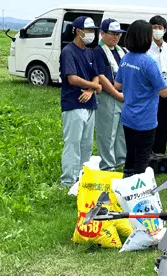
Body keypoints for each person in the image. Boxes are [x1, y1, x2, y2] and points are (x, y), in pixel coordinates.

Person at [114, 20, 167, 177]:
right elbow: (164, 92)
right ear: (145, 38)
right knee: (142, 160)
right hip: (144, 119)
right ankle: (137, 193)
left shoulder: (126, 58)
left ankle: (125, 183)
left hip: (128, 116)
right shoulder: (148, 62)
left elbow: (117, 85)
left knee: (131, 156)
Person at [58, 16, 101, 187]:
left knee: (86, 145)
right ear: (78, 31)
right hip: (73, 103)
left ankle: (82, 179)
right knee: (73, 143)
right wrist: (94, 86)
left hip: (89, 104)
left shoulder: (89, 53)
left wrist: (91, 90)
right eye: (88, 30)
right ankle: (68, 180)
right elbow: (72, 78)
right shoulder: (68, 52)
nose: (91, 34)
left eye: (93, 31)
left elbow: (95, 75)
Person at [93, 18, 127, 172]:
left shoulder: (122, 51)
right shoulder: (98, 51)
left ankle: (121, 160)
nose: (116, 37)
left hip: (123, 96)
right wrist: (116, 95)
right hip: (108, 97)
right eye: (112, 34)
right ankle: (108, 165)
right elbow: (102, 77)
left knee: (121, 132)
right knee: (107, 133)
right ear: (103, 33)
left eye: (118, 34)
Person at [148, 15, 167, 155]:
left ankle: (160, 153)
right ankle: (149, 152)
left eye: (160, 28)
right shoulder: (146, 47)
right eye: (154, 28)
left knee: (163, 122)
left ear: (164, 30)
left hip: (165, 88)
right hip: (151, 91)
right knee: (151, 123)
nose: (157, 30)